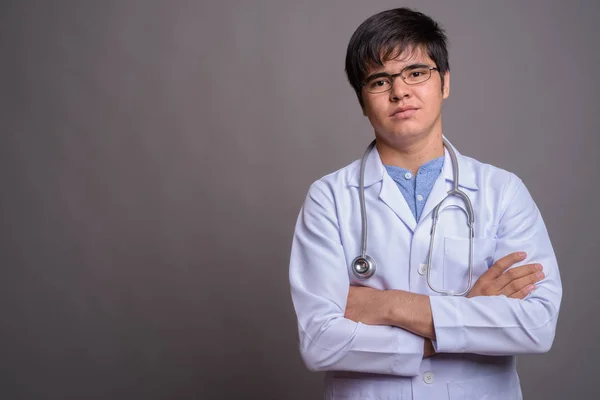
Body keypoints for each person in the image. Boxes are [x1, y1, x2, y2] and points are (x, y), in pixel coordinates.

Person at [288, 7, 562, 400]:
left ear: (444, 82)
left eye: (416, 73)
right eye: (379, 80)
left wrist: (389, 305)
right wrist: (467, 318)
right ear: (362, 101)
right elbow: (320, 342)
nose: (400, 91)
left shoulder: (502, 191)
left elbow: (536, 325)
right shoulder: (329, 198)